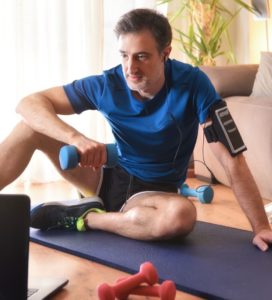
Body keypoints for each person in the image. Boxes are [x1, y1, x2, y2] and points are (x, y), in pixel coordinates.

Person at [0, 8, 271, 250]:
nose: (130, 67)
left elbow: (232, 159)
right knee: (29, 128)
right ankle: (98, 208)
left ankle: (88, 218)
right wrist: (75, 137)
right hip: (103, 178)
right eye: (124, 56)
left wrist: (261, 227)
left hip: (153, 194)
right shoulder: (107, 84)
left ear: (166, 53)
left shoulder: (193, 84)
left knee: (181, 216)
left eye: (141, 57)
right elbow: (29, 103)